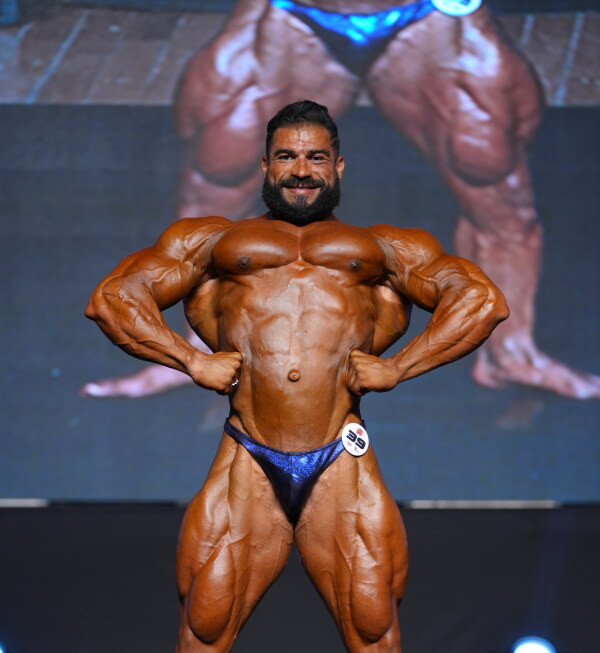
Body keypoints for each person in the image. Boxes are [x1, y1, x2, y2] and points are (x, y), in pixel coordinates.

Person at [85, 101, 508, 653]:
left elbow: (481, 298)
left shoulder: (382, 251)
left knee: (380, 651)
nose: (301, 170)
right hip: (247, 458)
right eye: (287, 157)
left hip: (340, 462)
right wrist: (190, 359)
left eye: (315, 157)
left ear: (338, 167)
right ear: (266, 166)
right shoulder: (215, 244)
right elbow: (114, 297)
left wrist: (400, 366)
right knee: (198, 647)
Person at [81, 0, 600, 402]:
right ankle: (196, 346)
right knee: (219, 168)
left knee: (490, 173)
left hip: (428, 14)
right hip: (294, 13)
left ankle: (512, 351)